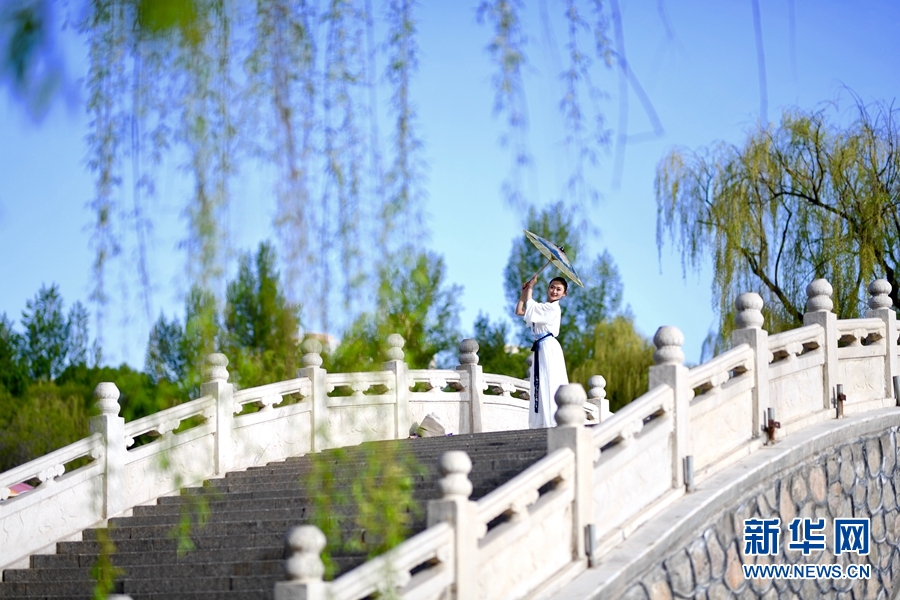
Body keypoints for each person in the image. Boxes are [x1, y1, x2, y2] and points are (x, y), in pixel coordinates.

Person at [515, 275, 569, 428]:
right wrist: (524, 292)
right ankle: (541, 421)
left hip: (549, 346)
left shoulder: (552, 308)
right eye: (552, 287)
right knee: (540, 383)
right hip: (541, 347)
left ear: (564, 294)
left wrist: (531, 287)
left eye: (558, 289)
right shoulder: (543, 308)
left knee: (549, 381)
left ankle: (552, 420)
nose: (554, 291)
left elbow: (532, 307)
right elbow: (519, 311)